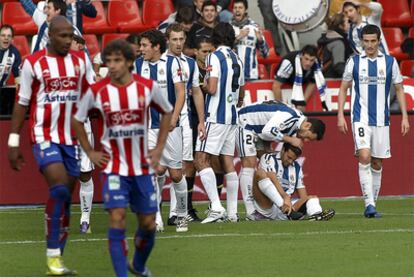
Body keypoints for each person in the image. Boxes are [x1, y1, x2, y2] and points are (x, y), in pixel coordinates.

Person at [72, 39, 173, 277]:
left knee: (148, 224)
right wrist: (90, 151)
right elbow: (77, 119)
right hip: (114, 168)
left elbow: (167, 111)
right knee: (117, 219)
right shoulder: (97, 90)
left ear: (129, 62)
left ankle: (138, 265)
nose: (112, 66)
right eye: (108, 61)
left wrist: (158, 148)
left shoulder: (147, 87)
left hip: (142, 167)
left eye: (117, 61)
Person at [7, 16, 93, 275]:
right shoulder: (33, 64)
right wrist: (13, 140)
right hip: (44, 136)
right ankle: (52, 255)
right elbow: (22, 103)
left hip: (71, 140)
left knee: (65, 200)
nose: (69, 41)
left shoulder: (80, 62)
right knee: (58, 190)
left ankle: (57, 258)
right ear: (50, 36)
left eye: (71, 36)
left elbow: (93, 95)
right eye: (64, 36)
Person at [337, 25, 410, 218]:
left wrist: (404, 117)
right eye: (366, 41)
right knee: (364, 156)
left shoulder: (390, 62)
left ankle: (372, 204)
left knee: (377, 163)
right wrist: (340, 115)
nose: (369, 45)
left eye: (373, 41)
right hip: (360, 118)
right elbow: (344, 88)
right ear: (362, 41)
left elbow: (400, 89)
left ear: (379, 41)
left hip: (382, 120)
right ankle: (369, 205)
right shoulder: (353, 62)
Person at [134, 29, 190, 233]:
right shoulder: (138, 65)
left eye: (144, 45)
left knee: (175, 175)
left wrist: (174, 118)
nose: (141, 49)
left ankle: (182, 215)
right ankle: (156, 216)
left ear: (156, 47)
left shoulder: (172, 64)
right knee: (153, 171)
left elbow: (181, 92)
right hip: (149, 128)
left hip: (171, 128)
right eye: (140, 45)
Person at [236, 100, 325, 217]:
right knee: (249, 164)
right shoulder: (291, 117)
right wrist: (290, 139)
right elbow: (267, 131)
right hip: (245, 122)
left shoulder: (296, 124)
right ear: (307, 125)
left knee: (266, 159)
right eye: (307, 137)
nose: (305, 141)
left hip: (258, 129)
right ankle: (251, 211)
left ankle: (273, 205)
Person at [194, 22, 245, 223]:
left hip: (215, 116)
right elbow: (242, 93)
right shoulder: (237, 59)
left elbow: (212, 88)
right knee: (228, 162)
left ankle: (216, 207)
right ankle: (232, 213)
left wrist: (200, 86)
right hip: (232, 117)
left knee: (200, 160)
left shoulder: (213, 57)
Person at [162, 24, 206, 224]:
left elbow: (196, 92)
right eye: (175, 39)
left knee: (183, 165)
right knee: (161, 168)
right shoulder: (159, 62)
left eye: (181, 39)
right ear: (167, 40)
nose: (178, 43)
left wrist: (202, 121)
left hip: (186, 122)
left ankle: (175, 213)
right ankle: (155, 210)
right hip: (161, 122)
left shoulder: (190, 63)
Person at [251, 143, 335, 221]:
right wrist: (285, 196)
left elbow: (303, 196)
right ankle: (286, 210)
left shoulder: (297, 168)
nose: (290, 161)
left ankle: (316, 216)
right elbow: (273, 178)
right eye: (289, 157)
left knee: (312, 198)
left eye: (293, 159)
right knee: (259, 173)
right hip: (267, 206)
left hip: (288, 209)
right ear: (283, 150)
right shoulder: (268, 158)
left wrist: (304, 204)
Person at [69, 33, 96, 234]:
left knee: (84, 173)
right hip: (59, 126)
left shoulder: (83, 62)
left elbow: (93, 89)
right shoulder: (50, 61)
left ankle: (85, 217)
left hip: (81, 123)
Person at [272, 45, 328, 111]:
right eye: (306, 59)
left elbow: (312, 82)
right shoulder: (288, 63)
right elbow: (276, 86)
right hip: (286, 81)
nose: (308, 63)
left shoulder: (317, 64)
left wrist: (303, 102)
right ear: (301, 56)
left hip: (300, 82)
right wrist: (281, 108)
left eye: (311, 60)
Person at [231, 0, 269, 81]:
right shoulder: (227, 28)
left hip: (251, 76)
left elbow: (265, 54)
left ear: (245, 10)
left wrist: (260, 41)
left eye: (240, 8)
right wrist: (238, 38)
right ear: (232, 10)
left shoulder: (254, 27)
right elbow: (224, 51)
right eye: (235, 8)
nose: (237, 10)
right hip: (232, 76)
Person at [317, 13, 352, 78]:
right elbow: (339, 66)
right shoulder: (338, 42)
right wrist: (353, 76)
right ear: (341, 25)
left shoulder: (328, 37)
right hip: (334, 79)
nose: (350, 24)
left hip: (326, 78)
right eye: (348, 22)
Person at [0, 25, 21, 115]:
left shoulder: (14, 53)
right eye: (3, 35)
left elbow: (18, 76)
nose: (6, 38)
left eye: (9, 36)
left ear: (12, 39)